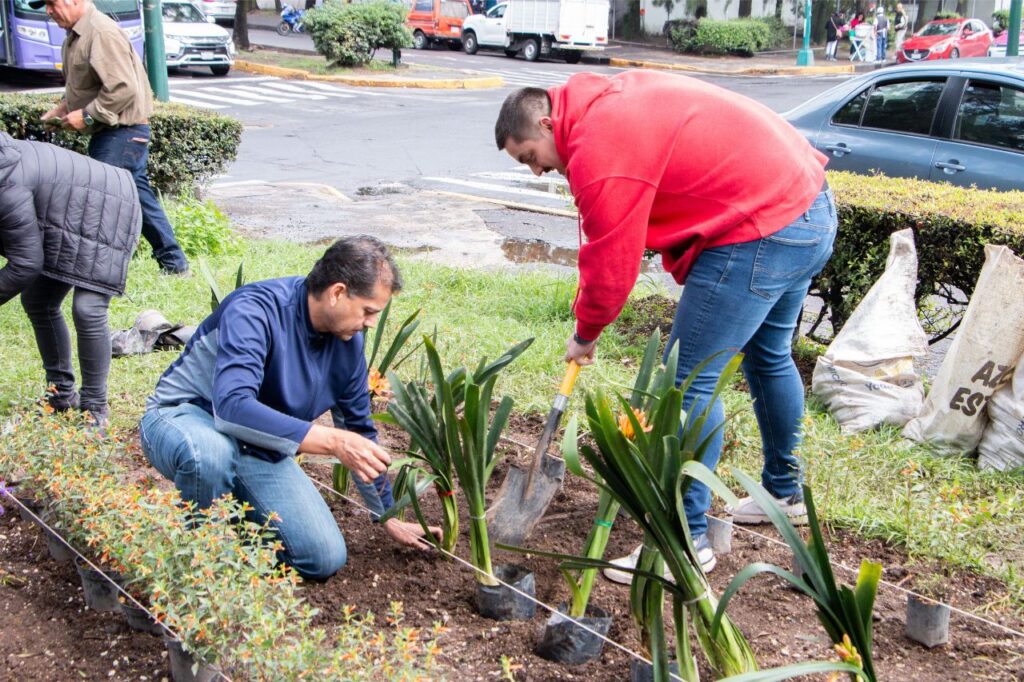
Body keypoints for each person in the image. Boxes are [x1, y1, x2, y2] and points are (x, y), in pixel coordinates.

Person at [494, 73, 837, 578]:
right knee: (768, 357)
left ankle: (683, 540)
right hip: (807, 206)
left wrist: (586, 332)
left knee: (686, 383)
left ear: (548, 123)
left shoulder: (597, 146)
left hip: (760, 230)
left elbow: (612, 263)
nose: (539, 171)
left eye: (529, 156)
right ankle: (784, 492)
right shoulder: (602, 102)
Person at [139, 236, 439, 580]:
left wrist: (389, 516)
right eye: (368, 311)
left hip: (256, 446)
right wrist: (332, 441)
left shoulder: (348, 344)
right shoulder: (255, 310)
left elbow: (358, 430)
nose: (370, 323)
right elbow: (232, 407)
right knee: (210, 454)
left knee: (321, 558)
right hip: (187, 418)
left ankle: (238, 547)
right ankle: (195, 565)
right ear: (337, 292)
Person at [33, 0, 190, 276]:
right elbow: (88, 85)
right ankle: (174, 263)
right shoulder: (76, 36)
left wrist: (89, 116)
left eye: (51, 3)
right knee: (136, 198)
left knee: (99, 200)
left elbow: (122, 88)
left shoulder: (101, 33)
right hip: (114, 133)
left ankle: (97, 269)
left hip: (123, 133)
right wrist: (62, 110)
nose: (48, 10)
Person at [0, 132, 141, 430]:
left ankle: (95, 407)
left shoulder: (7, 182)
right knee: (39, 301)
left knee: (88, 308)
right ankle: (61, 395)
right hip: (64, 210)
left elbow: (25, 264)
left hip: (109, 206)